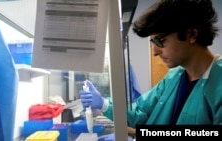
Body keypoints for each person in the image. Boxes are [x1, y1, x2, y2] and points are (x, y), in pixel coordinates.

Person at [79, 0, 222, 140]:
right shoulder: (174, 77)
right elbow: (140, 113)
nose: (154, 51)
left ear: (191, 35)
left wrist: (139, 134)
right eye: (152, 42)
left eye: (160, 41)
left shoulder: (219, 82)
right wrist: (103, 103)